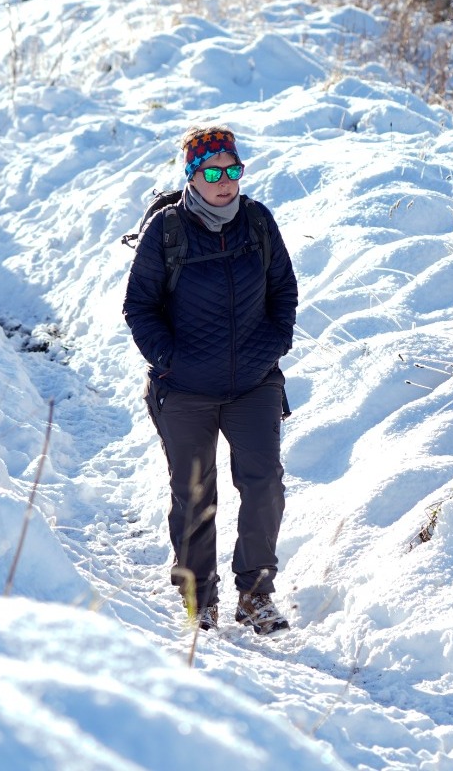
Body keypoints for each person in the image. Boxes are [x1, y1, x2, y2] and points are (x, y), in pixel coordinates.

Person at [122, 126, 298, 635]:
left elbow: (283, 290)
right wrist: (170, 361)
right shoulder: (167, 232)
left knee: (265, 486)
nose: (225, 182)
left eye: (233, 170)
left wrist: (273, 346)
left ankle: (256, 593)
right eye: (213, 172)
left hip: (254, 385)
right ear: (192, 176)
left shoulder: (258, 222)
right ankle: (200, 598)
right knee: (196, 494)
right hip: (186, 391)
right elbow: (139, 307)